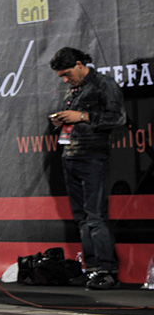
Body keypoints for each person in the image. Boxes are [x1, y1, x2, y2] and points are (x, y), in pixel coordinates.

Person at [49, 46, 125, 290]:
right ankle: (92, 269)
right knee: (81, 218)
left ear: (80, 65)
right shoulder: (75, 89)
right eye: (61, 76)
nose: (65, 79)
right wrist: (61, 120)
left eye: (67, 73)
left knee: (95, 216)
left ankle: (107, 270)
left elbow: (118, 118)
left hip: (92, 157)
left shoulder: (104, 83)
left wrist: (81, 116)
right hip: (70, 155)